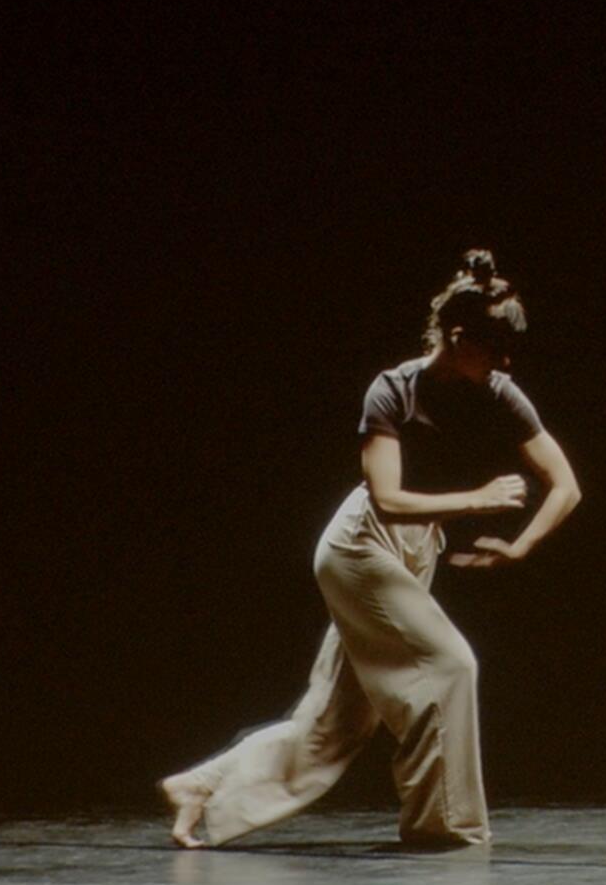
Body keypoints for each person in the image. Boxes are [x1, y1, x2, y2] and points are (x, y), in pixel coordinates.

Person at [162, 251, 582, 850]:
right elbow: (386, 499)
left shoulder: (500, 394)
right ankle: (444, 827)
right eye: (495, 349)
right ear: (458, 338)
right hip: (360, 548)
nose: (505, 363)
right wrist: (477, 500)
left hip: (416, 549)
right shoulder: (393, 391)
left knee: (335, 723)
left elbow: (566, 485)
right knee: (452, 666)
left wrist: (520, 547)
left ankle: (200, 786)